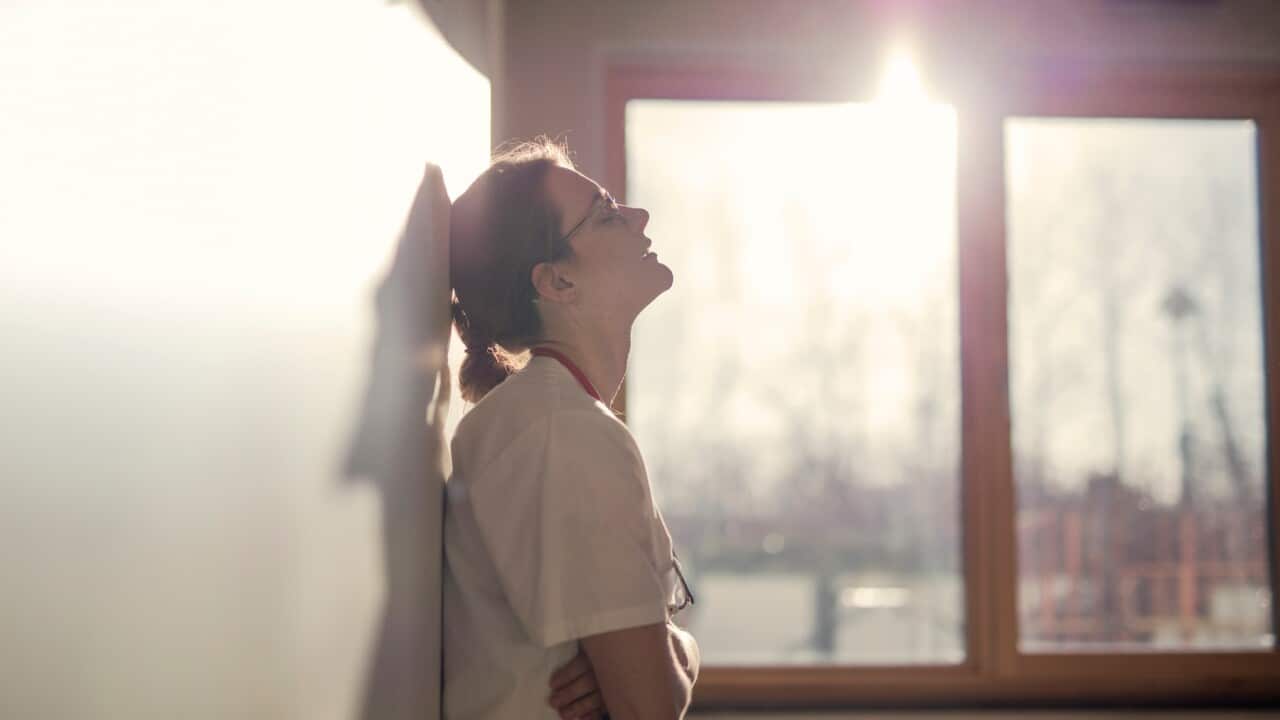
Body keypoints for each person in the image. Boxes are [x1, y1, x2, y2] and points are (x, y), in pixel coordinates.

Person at [442, 137, 700, 720]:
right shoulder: (565, 435)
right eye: (605, 214)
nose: (639, 216)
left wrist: (674, 650)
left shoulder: (552, 420)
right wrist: (673, 658)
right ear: (557, 283)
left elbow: (649, 679)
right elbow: (650, 708)